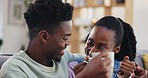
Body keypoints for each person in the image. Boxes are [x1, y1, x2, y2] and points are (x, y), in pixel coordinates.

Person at [0, 0, 112, 78]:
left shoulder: (63, 57)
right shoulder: (14, 70)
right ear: (44, 37)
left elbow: (91, 57)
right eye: (64, 38)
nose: (68, 43)